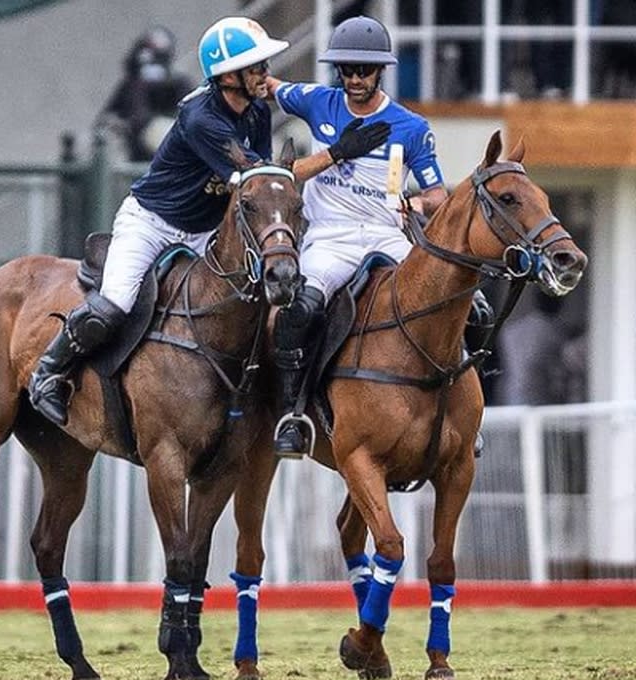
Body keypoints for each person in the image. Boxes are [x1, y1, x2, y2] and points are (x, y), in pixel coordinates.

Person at [29, 16, 391, 426]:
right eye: (256, 67)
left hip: (206, 229)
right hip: (154, 222)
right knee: (115, 302)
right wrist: (337, 152)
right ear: (227, 75)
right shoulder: (202, 119)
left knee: (256, 298)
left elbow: (259, 192)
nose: (265, 75)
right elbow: (258, 178)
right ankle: (49, 372)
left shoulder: (255, 114)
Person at [265, 15, 449, 458]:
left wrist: (417, 205)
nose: (353, 78)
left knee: (459, 302)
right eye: (346, 69)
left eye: (362, 70)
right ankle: (294, 411)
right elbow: (267, 86)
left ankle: (457, 409)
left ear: (380, 71)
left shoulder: (412, 127)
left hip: (386, 233)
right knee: (300, 308)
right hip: (331, 237)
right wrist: (336, 154)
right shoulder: (317, 101)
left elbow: (438, 196)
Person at [96, 26, 195, 162]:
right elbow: (105, 120)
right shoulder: (132, 86)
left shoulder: (179, 84)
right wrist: (118, 125)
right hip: (138, 161)